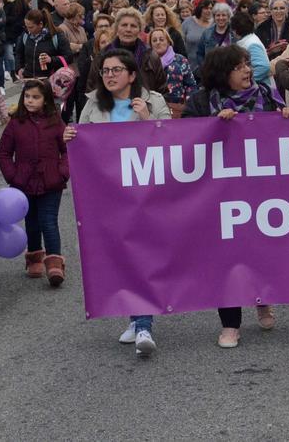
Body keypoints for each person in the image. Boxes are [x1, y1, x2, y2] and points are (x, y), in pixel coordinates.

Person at [183, 45, 289, 348]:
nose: (247, 70)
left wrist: (287, 118)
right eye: (238, 67)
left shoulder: (267, 96)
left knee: (261, 247)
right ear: (222, 74)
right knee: (225, 257)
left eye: (247, 64)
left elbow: (286, 140)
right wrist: (212, 127)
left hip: (261, 191)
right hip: (219, 195)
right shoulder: (201, 102)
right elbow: (184, 145)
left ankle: (262, 298)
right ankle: (230, 324)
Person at [65, 49, 171, 358]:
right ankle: (134, 315)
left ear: (132, 75)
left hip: (145, 193)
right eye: (105, 71)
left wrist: (148, 120)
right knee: (121, 254)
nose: (109, 76)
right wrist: (70, 135)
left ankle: (143, 325)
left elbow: (173, 143)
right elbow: (80, 140)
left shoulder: (153, 101)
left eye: (115, 70)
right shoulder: (94, 104)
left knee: (141, 254)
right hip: (109, 193)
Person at [0, 79, 68, 286]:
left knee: (49, 220)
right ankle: (35, 258)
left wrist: (62, 172)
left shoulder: (56, 121)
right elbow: (3, 152)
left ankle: (55, 263)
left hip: (51, 181)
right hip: (24, 182)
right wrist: (13, 176)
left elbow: (67, 149)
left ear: (45, 100)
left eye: (35, 97)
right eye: (27, 96)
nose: (30, 101)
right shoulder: (15, 123)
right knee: (32, 221)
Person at [108, 8, 168, 94]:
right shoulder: (104, 55)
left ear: (140, 30)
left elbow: (162, 91)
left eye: (133, 26)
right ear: (117, 29)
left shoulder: (151, 57)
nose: (128, 29)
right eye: (124, 25)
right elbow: (93, 90)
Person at [149, 27, 197, 117]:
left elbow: (191, 85)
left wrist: (189, 106)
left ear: (168, 41)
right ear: (151, 45)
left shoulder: (180, 59)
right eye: (154, 40)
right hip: (155, 110)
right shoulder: (146, 62)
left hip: (178, 108)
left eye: (161, 39)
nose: (158, 42)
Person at [16, 8, 72, 80]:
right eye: (26, 26)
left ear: (40, 24)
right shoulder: (25, 35)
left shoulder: (56, 36)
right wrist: (19, 68)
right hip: (29, 79)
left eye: (31, 27)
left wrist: (51, 60)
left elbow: (69, 57)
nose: (28, 29)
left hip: (50, 80)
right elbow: (19, 54)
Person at [232, 11, 273, 90]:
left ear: (235, 30)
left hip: (261, 89)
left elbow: (263, 67)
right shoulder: (248, 40)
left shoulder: (252, 44)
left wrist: (247, 81)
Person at [183, 0, 214, 69]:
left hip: (210, 67)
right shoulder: (188, 22)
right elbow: (181, 43)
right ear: (200, 9)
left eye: (211, 8)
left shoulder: (215, 24)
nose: (209, 11)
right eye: (206, 8)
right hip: (191, 65)